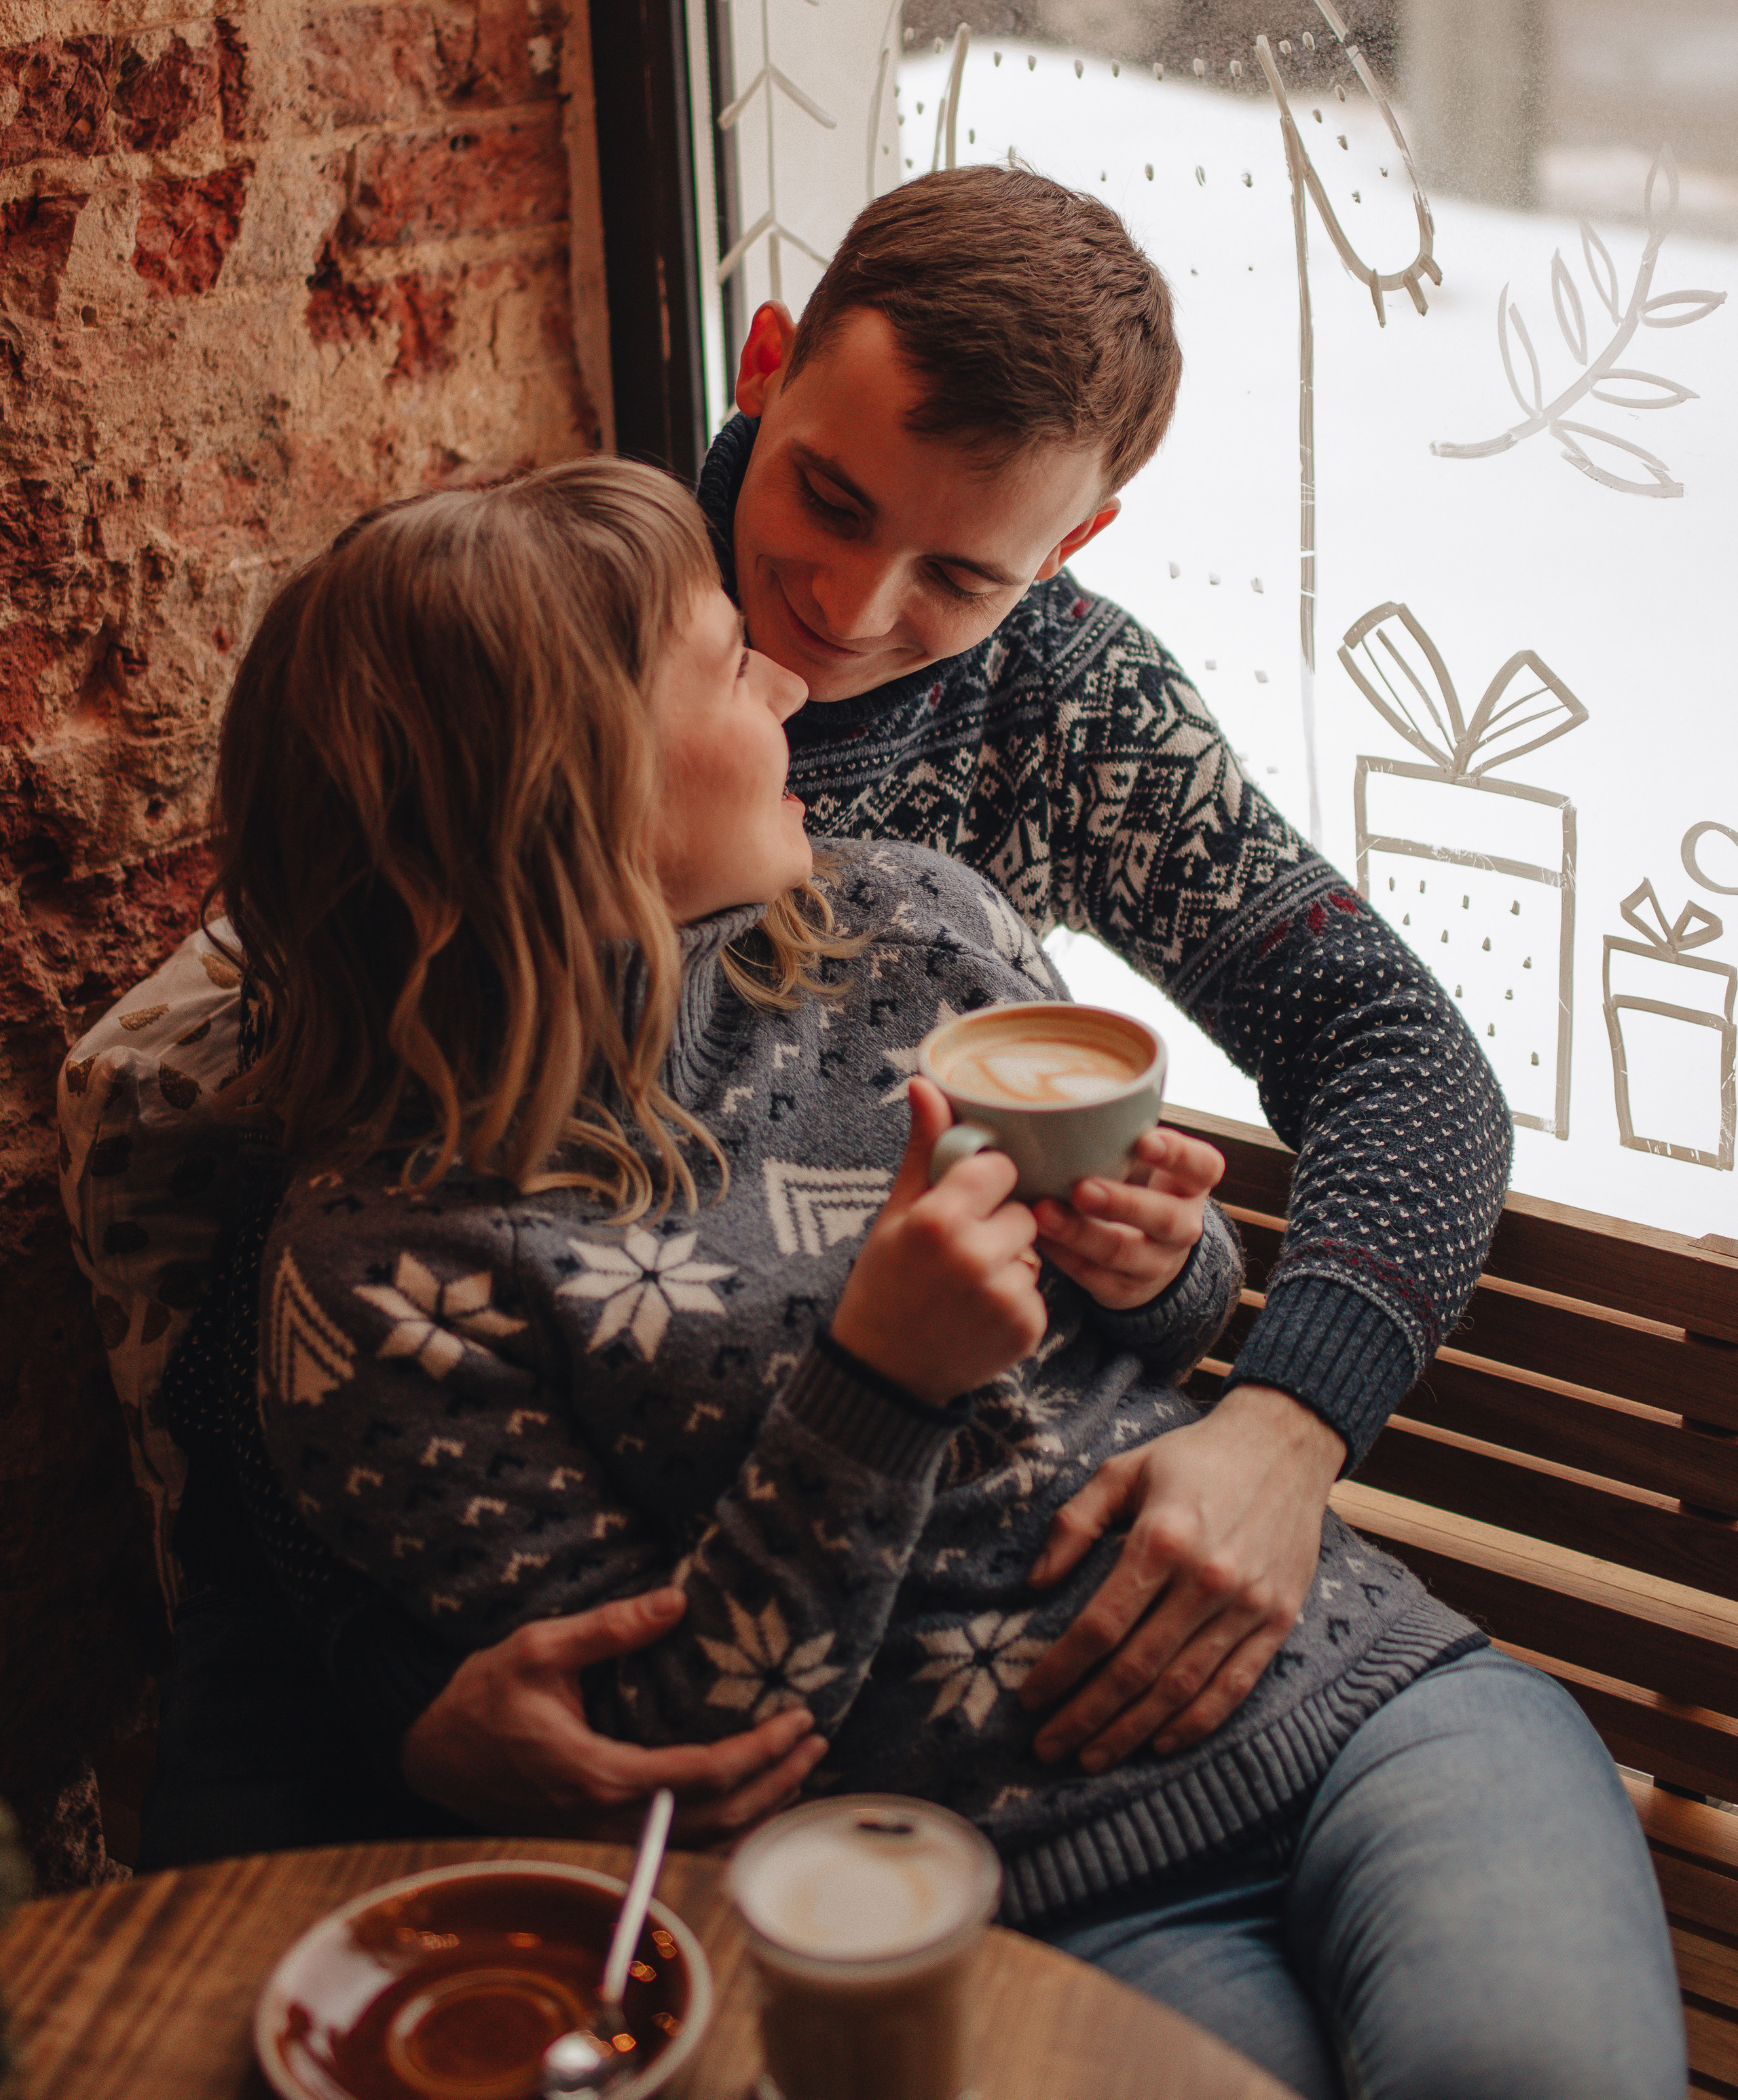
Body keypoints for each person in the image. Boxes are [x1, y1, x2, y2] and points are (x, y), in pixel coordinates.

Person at [184, 458, 1681, 2100]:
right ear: (573, 784)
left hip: (1370, 1711)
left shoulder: (909, 920)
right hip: (1010, 1896)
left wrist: (1171, 1263)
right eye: (723, 657)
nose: (789, 669)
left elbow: (1185, 1295)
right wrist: (875, 1388)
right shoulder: (389, 1271)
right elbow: (685, 1761)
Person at [67, 165, 1506, 1841]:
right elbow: (319, 1268)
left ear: (1072, 547)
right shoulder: (563, 628)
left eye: (961, 579)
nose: (843, 614)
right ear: (763, 364)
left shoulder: (1058, 699)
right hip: (580, 1590)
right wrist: (405, 1701)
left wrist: (1285, 1420)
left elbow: (1394, 1047)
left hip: (993, 1589)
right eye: (826, 501)